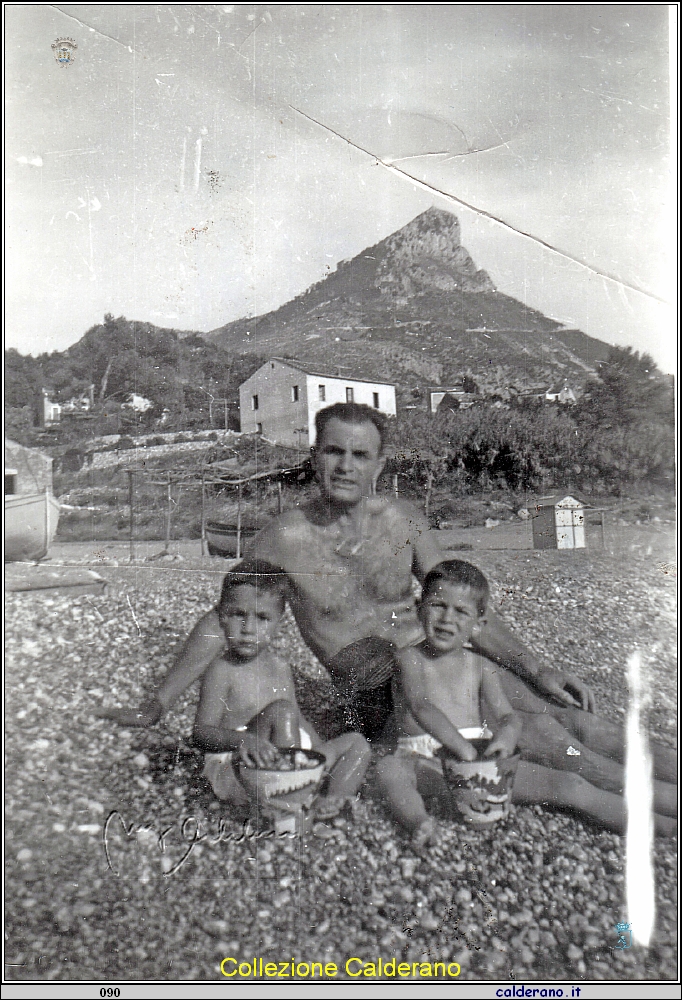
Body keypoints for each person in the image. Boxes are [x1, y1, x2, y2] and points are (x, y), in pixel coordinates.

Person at [99, 403, 676, 792]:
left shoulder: (403, 519)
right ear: (314, 455)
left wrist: (536, 665)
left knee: (567, 713)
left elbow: (464, 603)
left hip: (440, 661)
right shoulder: (283, 539)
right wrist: (156, 704)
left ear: (379, 463)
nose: (344, 466)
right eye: (333, 452)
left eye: (359, 455)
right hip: (376, 686)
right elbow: (216, 622)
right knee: (544, 735)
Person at [376, 561, 676, 843]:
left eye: (460, 612)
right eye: (438, 606)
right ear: (419, 610)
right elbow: (422, 706)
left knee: (571, 785)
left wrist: (505, 740)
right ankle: (418, 822)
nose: (447, 619)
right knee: (390, 772)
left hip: (481, 760)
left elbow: (508, 717)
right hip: (424, 759)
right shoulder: (409, 659)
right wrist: (461, 747)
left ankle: (664, 827)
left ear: (479, 624)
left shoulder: (481, 666)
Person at [193, 559, 371, 819]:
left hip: (283, 760)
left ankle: (330, 801)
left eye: (262, 618)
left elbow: (298, 720)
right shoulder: (221, 670)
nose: (248, 628)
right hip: (239, 766)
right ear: (221, 616)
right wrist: (244, 740)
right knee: (281, 712)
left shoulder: (280, 667)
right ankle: (294, 803)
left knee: (357, 744)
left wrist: (321, 756)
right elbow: (201, 733)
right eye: (238, 614)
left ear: (279, 623)